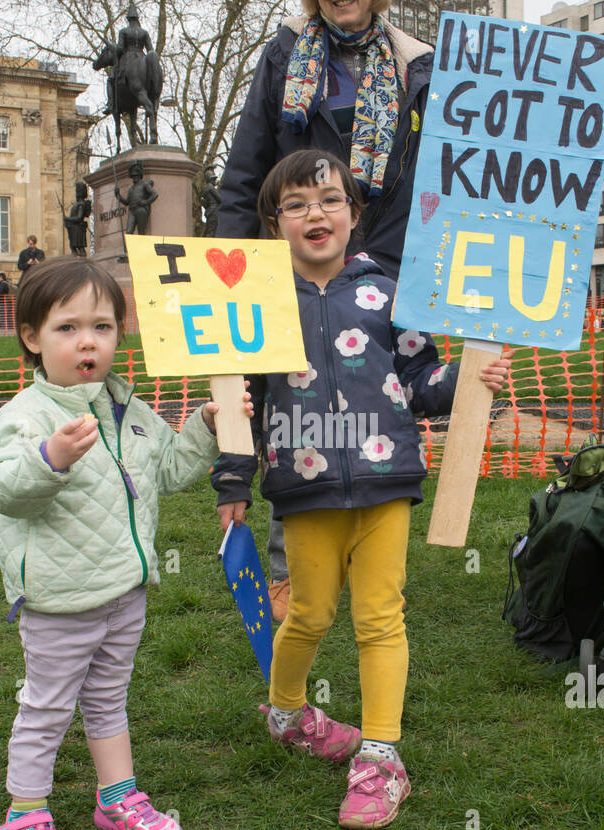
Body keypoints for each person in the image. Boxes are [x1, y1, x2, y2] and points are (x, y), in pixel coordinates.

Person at [211, 150, 510, 830]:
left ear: (354, 212)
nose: (314, 213)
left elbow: (419, 380)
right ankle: (287, 713)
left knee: (381, 615)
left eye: (329, 198)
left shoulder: (391, 292)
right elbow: (239, 398)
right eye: (295, 203)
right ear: (273, 221)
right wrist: (232, 477)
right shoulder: (254, 301)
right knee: (310, 614)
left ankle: (380, 755)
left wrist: (466, 378)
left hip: (385, 483)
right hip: (302, 487)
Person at [0, 256, 251, 830]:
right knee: (46, 704)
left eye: (102, 327)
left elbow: (173, 469)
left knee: (108, 697)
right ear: (31, 337)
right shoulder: (26, 417)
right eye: (68, 327)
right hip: (58, 598)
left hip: (126, 591)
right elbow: (1, 491)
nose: (87, 341)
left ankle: (117, 799)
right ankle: (25, 815)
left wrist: (207, 425)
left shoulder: (127, 408)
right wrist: (49, 458)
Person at [219, 0, 435, 619]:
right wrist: (232, 280)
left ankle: (371, 562)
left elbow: (434, 177)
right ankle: (292, 576)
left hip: (383, 265)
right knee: (297, 400)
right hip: (293, 272)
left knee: (374, 401)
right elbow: (243, 175)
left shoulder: (418, 64)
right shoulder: (283, 54)